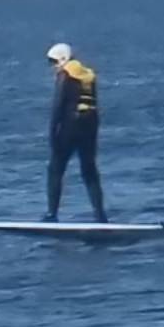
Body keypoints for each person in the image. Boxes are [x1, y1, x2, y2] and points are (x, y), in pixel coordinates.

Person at [46, 42, 106, 221]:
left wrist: (52, 133)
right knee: (89, 170)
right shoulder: (89, 75)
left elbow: (58, 104)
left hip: (70, 125)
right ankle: (100, 216)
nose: (53, 67)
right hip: (90, 124)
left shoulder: (65, 74)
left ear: (63, 59)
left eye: (54, 62)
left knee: (55, 169)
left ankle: (52, 215)